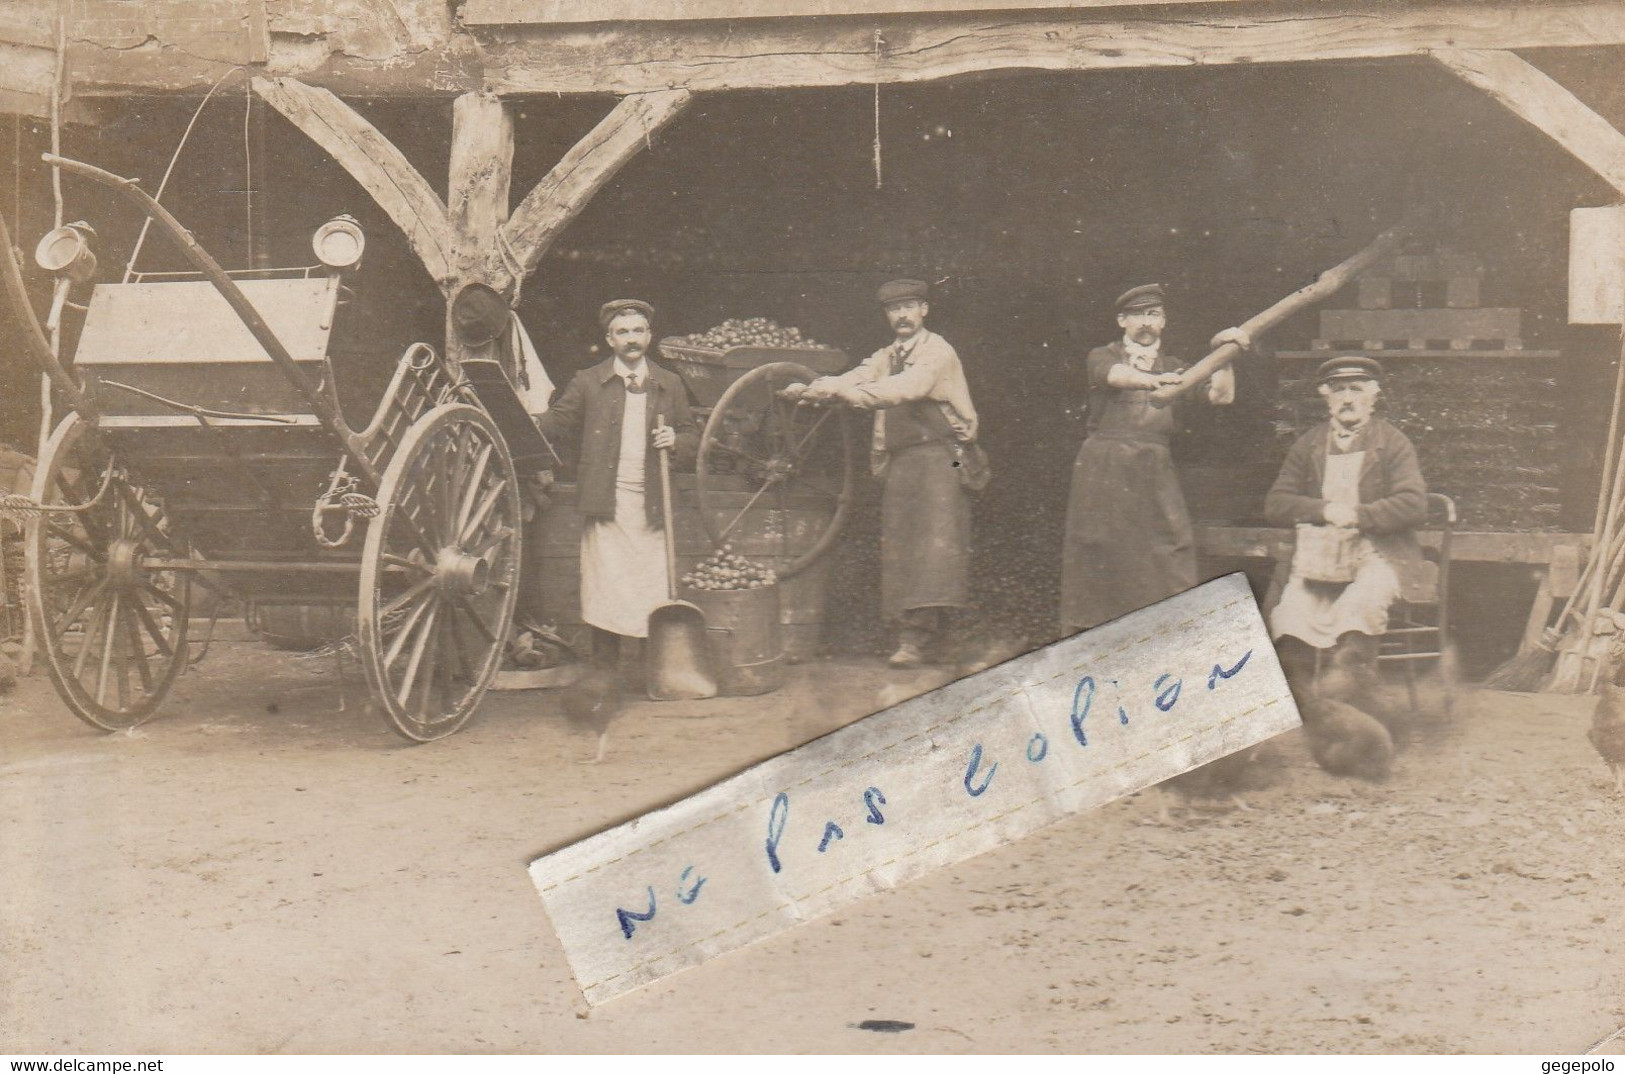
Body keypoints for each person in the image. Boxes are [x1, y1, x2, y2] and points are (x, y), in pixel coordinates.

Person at [798, 279, 980, 668]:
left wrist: (844, 394)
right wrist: (814, 388)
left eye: (909, 307)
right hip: (903, 461)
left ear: (924, 310)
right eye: (894, 309)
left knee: (936, 548)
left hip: (941, 456)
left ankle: (919, 639)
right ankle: (924, 635)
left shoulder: (937, 353)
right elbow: (860, 375)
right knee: (904, 548)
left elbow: (904, 388)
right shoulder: (887, 355)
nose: (901, 315)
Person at [1060, 283, 1247, 634]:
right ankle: (1091, 638)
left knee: (1170, 545)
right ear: (1122, 321)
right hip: (1105, 465)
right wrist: (1154, 381)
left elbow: (1222, 396)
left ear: (1163, 322)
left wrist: (1225, 356)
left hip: (1154, 466)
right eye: (1137, 315)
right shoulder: (1103, 355)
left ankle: (1168, 634)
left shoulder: (1177, 366)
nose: (1146, 322)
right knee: (1099, 547)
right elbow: (1116, 376)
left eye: (1154, 314)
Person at [535, 299, 699, 687]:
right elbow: (558, 421)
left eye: (638, 331)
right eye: (622, 332)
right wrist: (518, 420)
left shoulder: (670, 383)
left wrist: (677, 438)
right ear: (609, 339)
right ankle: (604, 673)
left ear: (649, 336)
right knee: (606, 585)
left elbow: (693, 435)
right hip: (607, 501)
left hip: (652, 502)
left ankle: (651, 673)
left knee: (651, 586)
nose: (631, 339)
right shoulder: (588, 382)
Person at [1265, 356, 1427, 694]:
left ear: (1373, 395)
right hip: (1320, 559)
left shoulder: (1392, 442)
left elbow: (1413, 504)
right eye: (1339, 390)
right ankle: (1311, 710)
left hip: (1379, 554)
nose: (1348, 399)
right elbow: (1277, 503)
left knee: (1359, 607)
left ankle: (1354, 705)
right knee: (1291, 615)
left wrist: (1357, 515)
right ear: (1327, 396)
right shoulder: (1309, 444)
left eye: (1357, 389)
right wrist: (1325, 510)